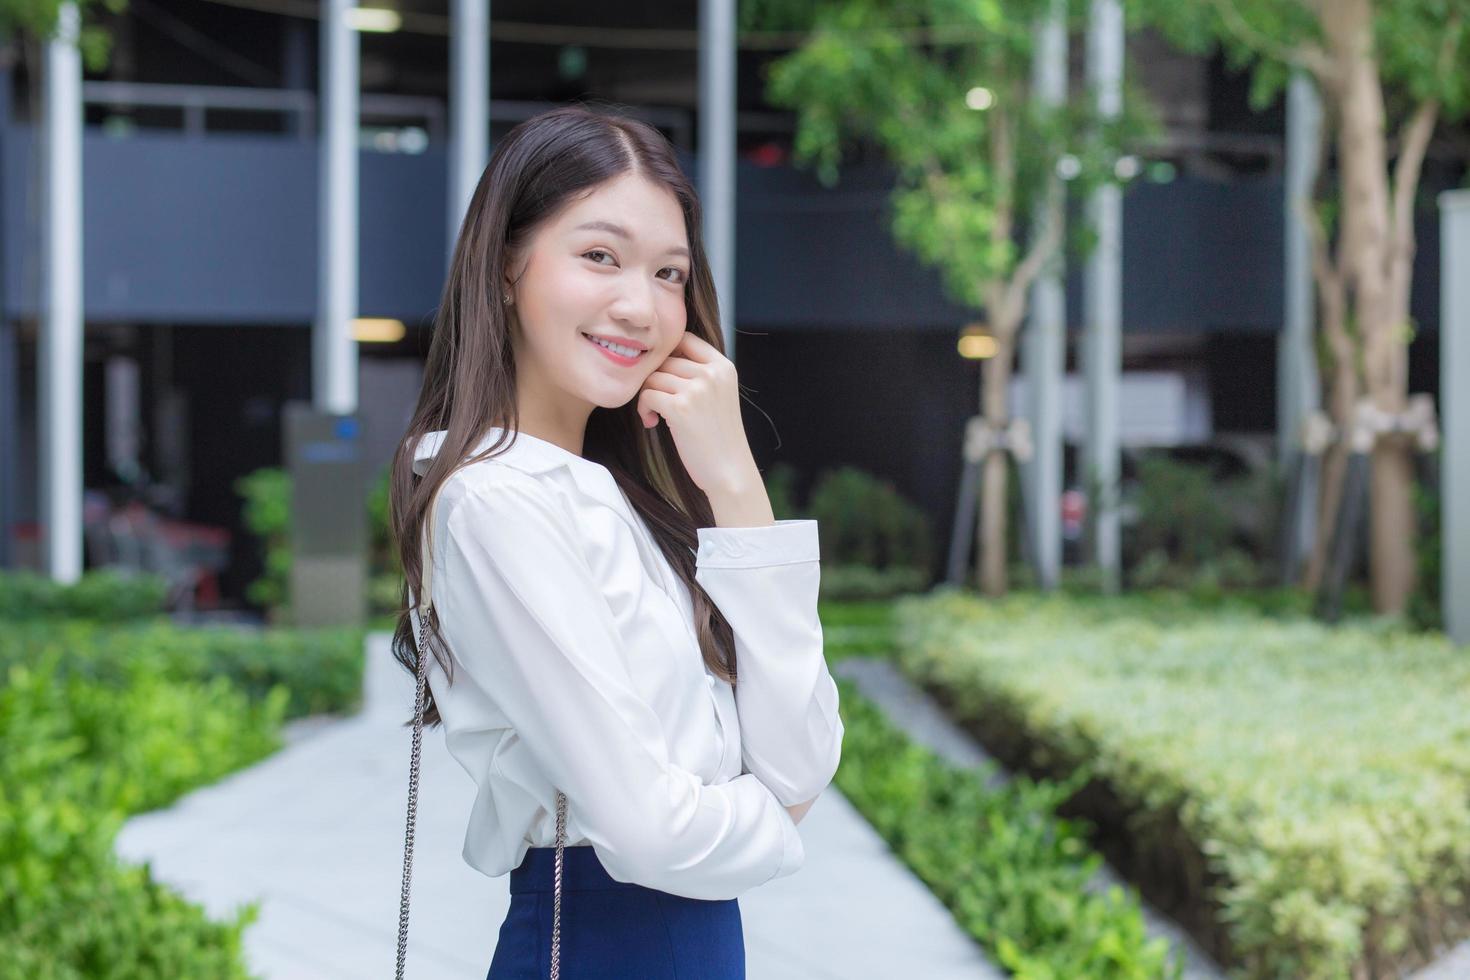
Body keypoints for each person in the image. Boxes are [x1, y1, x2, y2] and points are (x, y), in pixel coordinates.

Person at [387, 104, 844, 979]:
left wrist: (735, 483)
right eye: (600, 256)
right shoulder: (492, 497)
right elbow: (649, 830)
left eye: (670, 273)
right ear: (508, 264)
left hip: (686, 944)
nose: (641, 305)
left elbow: (803, 750)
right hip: (602, 942)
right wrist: (780, 817)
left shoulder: (616, 495)